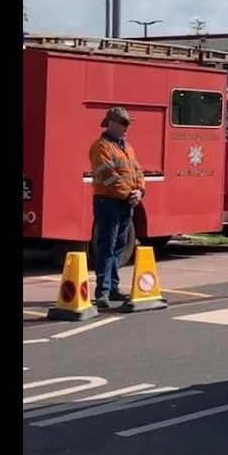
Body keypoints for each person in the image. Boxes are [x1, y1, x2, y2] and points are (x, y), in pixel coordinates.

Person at [88, 107, 146, 308]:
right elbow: (108, 177)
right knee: (106, 246)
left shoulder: (127, 147)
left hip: (123, 203)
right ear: (111, 123)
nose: (127, 127)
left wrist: (139, 191)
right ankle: (102, 291)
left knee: (118, 247)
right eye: (123, 123)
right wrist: (130, 195)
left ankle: (112, 288)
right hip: (108, 202)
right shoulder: (101, 146)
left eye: (127, 122)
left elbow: (138, 171)